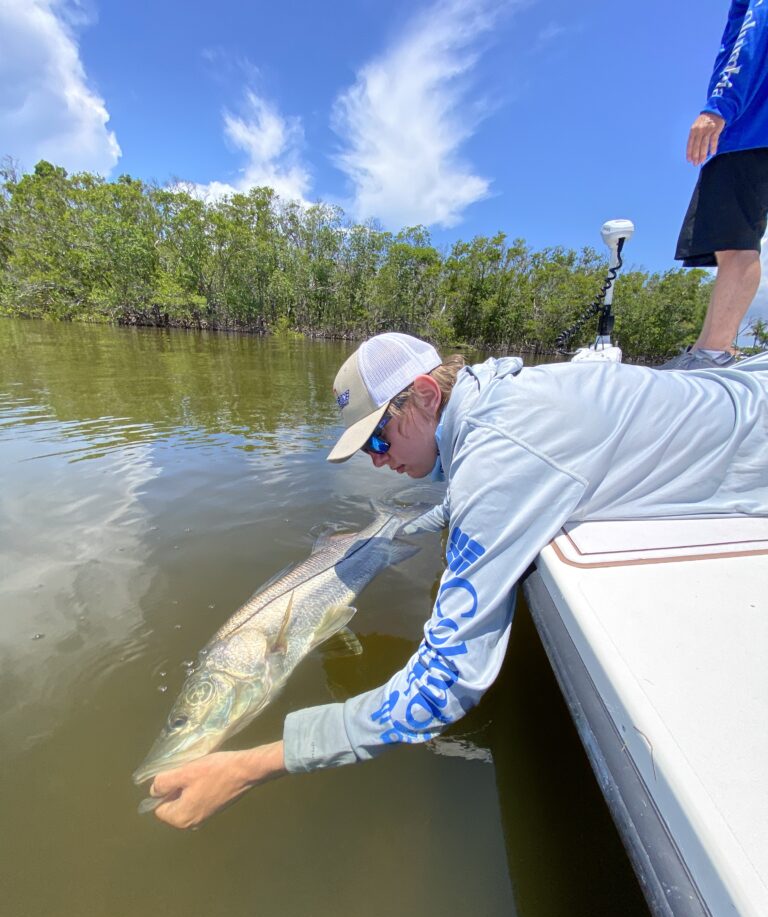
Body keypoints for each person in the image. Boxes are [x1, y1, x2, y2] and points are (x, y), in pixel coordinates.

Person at [148, 332, 768, 829]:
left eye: (380, 438)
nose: (380, 461)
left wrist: (247, 768)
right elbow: (482, 498)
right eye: (367, 451)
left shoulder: (497, 456)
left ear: (422, 393)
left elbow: (441, 688)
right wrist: (406, 530)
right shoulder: (499, 398)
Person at [665, 0, 768, 370]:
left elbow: (752, 39)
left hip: (747, 133)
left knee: (736, 243)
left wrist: (719, 106)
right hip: (752, 134)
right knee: (731, 244)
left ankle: (713, 352)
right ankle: (704, 350)